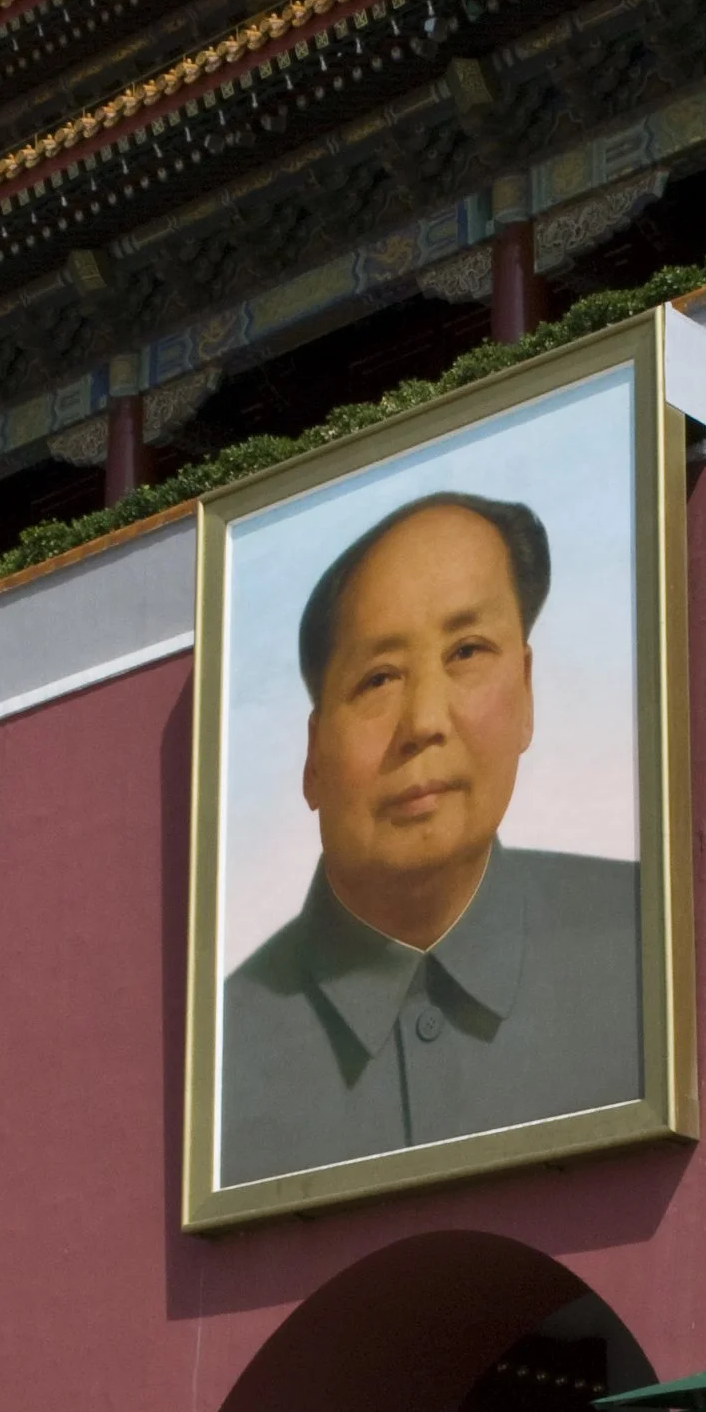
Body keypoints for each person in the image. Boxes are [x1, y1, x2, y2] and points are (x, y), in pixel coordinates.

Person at [218, 491, 644, 1182]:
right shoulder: (221, 1056)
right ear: (312, 755)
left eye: (467, 651)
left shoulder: (646, 937)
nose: (423, 721)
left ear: (527, 689)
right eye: (378, 677)